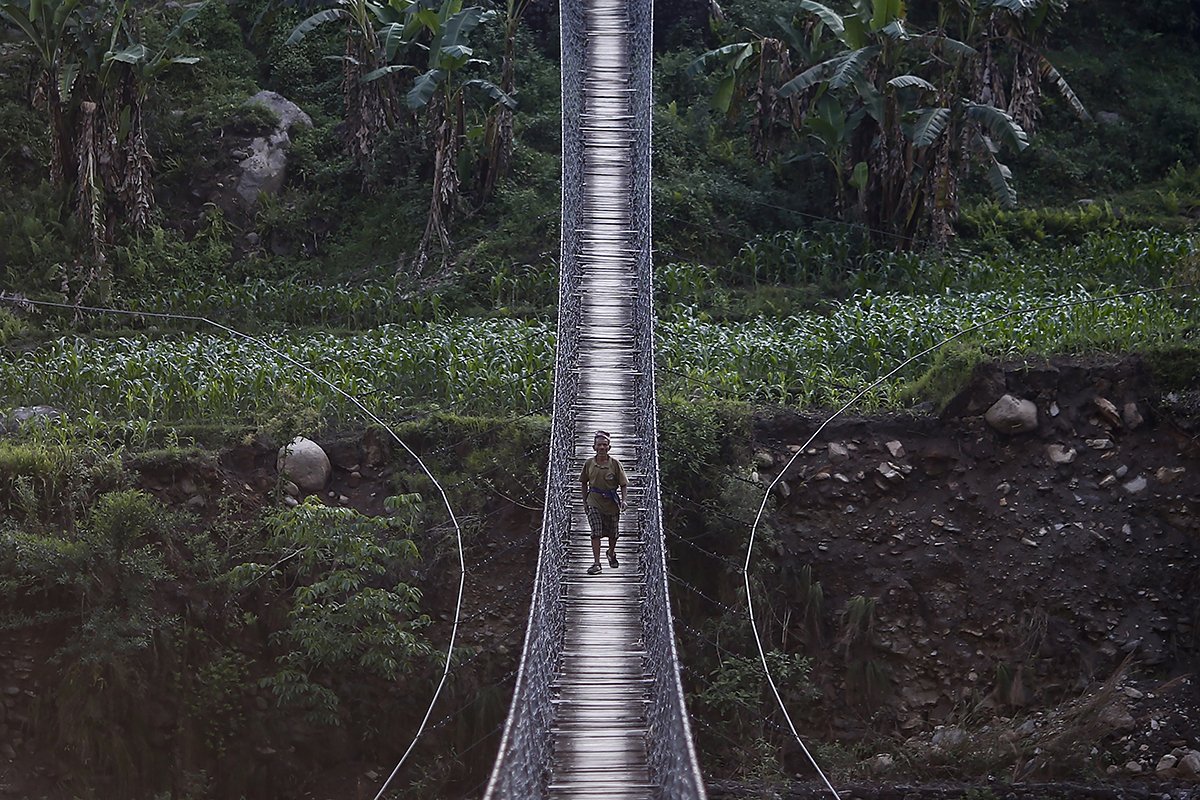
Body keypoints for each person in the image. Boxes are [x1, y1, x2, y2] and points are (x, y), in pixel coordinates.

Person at [580, 430, 628, 575]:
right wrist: (585, 502)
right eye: (599, 445)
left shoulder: (615, 464)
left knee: (614, 534)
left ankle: (611, 553)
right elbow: (583, 482)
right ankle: (596, 563)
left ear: (609, 447)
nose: (602, 448)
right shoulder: (589, 464)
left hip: (612, 504)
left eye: (605, 445)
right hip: (594, 500)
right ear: (594, 447)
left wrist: (624, 501)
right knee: (596, 532)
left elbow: (623, 484)